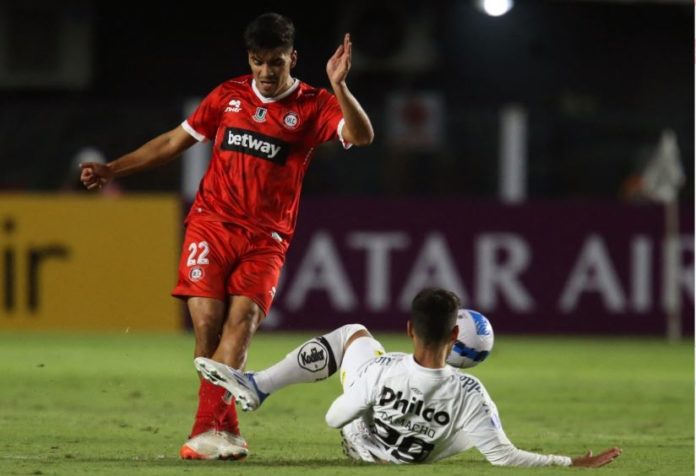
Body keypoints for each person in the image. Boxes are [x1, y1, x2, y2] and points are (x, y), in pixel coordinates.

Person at [79, 12, 373, 460]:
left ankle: (207, 431)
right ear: (250, 59)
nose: (266, 72)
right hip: (211, 225)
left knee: (242, 324)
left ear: (292, 58)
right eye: (258, 61)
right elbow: (172, 143)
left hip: (266, 239)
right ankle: (223, 428)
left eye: (276, 62)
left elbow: (362, 135)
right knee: (207, 328)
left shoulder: (312, 105)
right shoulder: (228, 96)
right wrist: (112, 169)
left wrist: (340, 86)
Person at [195, 288, 622, 467]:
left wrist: (365, 405)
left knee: (351, 334)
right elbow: (504, 457)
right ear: (456, 336)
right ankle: (258, 387)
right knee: (472, 427)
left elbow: (333, 418)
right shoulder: (472, 390)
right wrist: (571, 462)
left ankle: (258, 385)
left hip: (365, 444)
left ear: (409, 329)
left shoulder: (383, 369)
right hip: (423, 453)